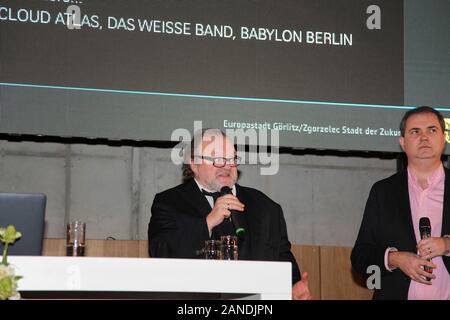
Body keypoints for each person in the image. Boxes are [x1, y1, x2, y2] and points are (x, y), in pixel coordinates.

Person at [148, 128, 312, 300]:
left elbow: (283, 259)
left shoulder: (266, 207)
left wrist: (293, 287)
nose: (226, 165)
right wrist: (208, 223)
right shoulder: (169, 202)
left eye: (231, 158)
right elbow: (161, 251)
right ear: (194, 164)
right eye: (217, 158)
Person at [351, 106, 450, 300]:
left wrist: (447, 244)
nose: (424, 137)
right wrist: (395, 259)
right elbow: (360, 257)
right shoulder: (383, 191)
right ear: (403, 143)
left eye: (431, 130)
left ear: (443, 139)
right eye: (415, 131)